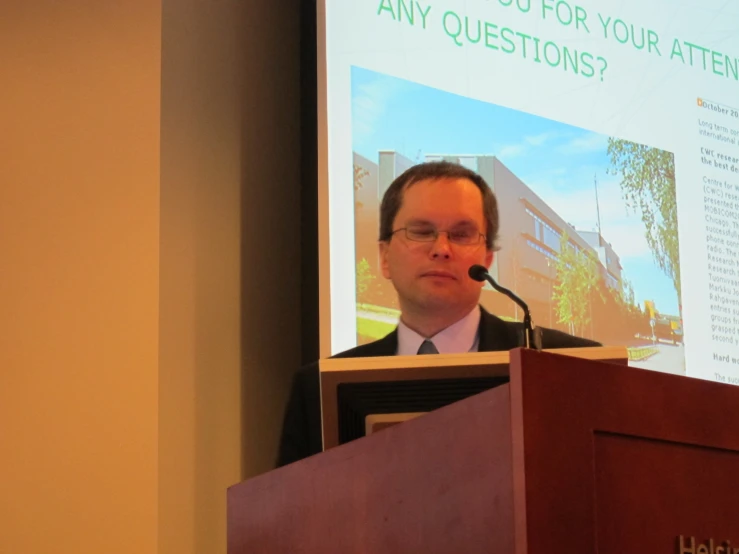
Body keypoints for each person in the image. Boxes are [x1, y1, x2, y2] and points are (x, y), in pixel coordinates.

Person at [277, 161, 600, 466]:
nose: (442, 249)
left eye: (461, 234)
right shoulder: (316, 393)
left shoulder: (577, 367)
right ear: (384, 257)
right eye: (421, 231)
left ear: (487, 259)